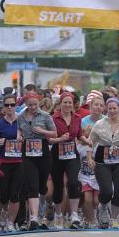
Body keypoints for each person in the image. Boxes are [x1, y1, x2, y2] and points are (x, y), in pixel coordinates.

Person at [89, 97, 119, 228]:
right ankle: (102, 207)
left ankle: (114, 218)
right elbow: (90, 142)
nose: (112, 111)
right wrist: (89, 158)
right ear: (106, 109)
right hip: (102, 161)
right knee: (107, 191)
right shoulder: (99, 124)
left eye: (115, 108)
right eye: (110, 108)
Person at [17, 92, 56, 230]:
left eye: (35, 104)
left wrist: (42, 131)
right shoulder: (21, 116)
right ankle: (33, 218)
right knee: (32, 185)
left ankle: (42, 215)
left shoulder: (45, 116)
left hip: (43, 151)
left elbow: (54, 133)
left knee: (42, 187)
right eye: (30, 105)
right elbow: (19, 130)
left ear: (38, 103)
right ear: (26, 104)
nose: (33, 107)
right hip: (28, 152)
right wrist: (19, 137)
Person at [49, 91, 88, 229]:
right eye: (65, 102)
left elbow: (79, 134)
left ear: (73, 104)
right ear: (60, 104)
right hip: (56, 154)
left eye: (69, 102)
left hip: (72, 153)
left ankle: (74, 215)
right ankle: (59, 215)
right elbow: (48, 139)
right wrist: (60, 139)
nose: (67, 105)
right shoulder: (53, 118)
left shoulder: (77, 118)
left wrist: (87, 141)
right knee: (58, 185)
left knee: (73, 182)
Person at [0, 93, 22, 232]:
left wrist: (22, 140)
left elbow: (30, 139)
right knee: (3, 195)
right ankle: (2, 217)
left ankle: (10, 222)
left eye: (12, 104)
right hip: (4, 162)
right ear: (3, 107)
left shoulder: (21, 122)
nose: (9, 107)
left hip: (19, 162)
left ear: (16, 105)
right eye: (6, 105)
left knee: (14, 194)